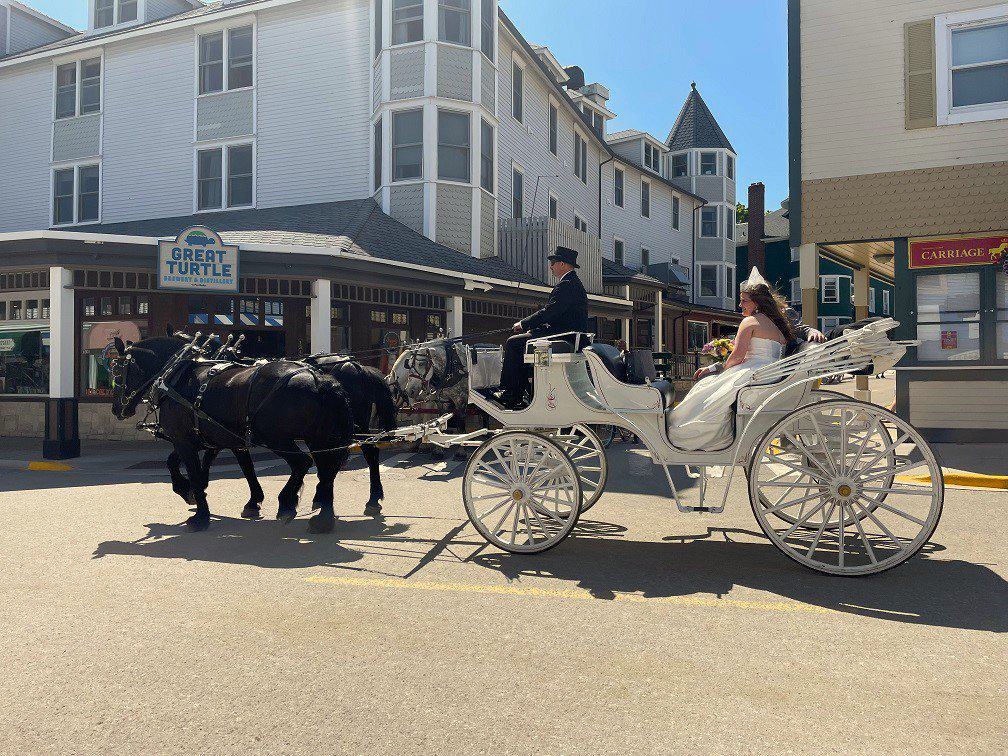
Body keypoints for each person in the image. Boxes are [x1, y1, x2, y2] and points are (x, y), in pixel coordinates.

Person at [667, 268, 795, 451]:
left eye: (744, 301)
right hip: (768, 372)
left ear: (757, 303)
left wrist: (721, 372)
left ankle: (691, 435)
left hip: (754, 371)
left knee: (706, 388)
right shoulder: (776, 325)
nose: (740, 304)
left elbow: (737, 355)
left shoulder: (750, 322)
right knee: (708, 386)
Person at [497, 246, 588, 409]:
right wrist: (535, 329)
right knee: (525, 342)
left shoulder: (567, 284)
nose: (551, 267)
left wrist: (523, 324)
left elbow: (550, 312)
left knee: (513, 343)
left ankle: (511, 394)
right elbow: (558, 315)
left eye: (553, 263)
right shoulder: (572, 283)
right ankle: (522, 390)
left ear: (562, 264)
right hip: (566, 335)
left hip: (563, 337)